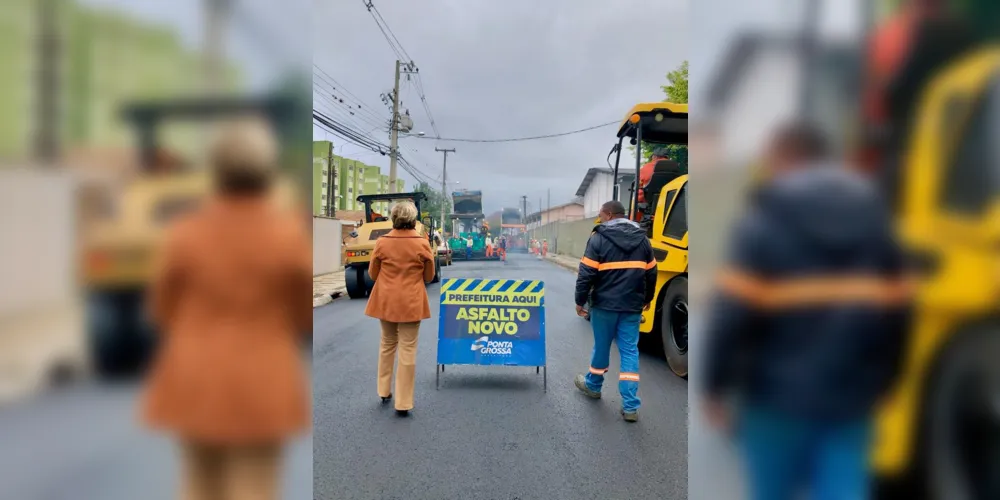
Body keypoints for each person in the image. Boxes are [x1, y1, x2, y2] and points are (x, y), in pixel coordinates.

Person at [701, 123, 911, 500]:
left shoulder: (761, 223)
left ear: (782, 160)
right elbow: (898, 314)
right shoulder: (876, 221)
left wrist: (715, 386)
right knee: (844, 490)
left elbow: (731, 316)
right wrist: (887, 380)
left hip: (772, 398)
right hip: (850, 395)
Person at [143, 115, 312, 500]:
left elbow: (161, 308)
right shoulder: (287, 235)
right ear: (268, 171)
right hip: (263, 379)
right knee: (255, 487)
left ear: (215, 170)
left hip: (193, 376)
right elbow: (302, 315)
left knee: (198, 485)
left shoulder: (185, 232)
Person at [573, 200, 656, 422]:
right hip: (632, 306)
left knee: (602, 346)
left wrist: (580, 301)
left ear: (609, 215)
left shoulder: (598, 238)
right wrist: (647, 298)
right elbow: (652, 273)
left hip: (604, 305)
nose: (599, 219)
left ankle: (593, 386)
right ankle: (630, 406)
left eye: (601, 215)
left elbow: (586, 274)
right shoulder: (642, 239)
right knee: (629, 351)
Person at [365, 200, 436, 417]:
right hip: (411, 302)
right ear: (413, 219)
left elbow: (373, 274)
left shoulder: (382, 242)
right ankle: (403, 403)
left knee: (387, 343)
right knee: (408, 348)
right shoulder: (422, 243)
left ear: (393, 218)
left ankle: (384, 390)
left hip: (386, 301)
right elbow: (429, 276)